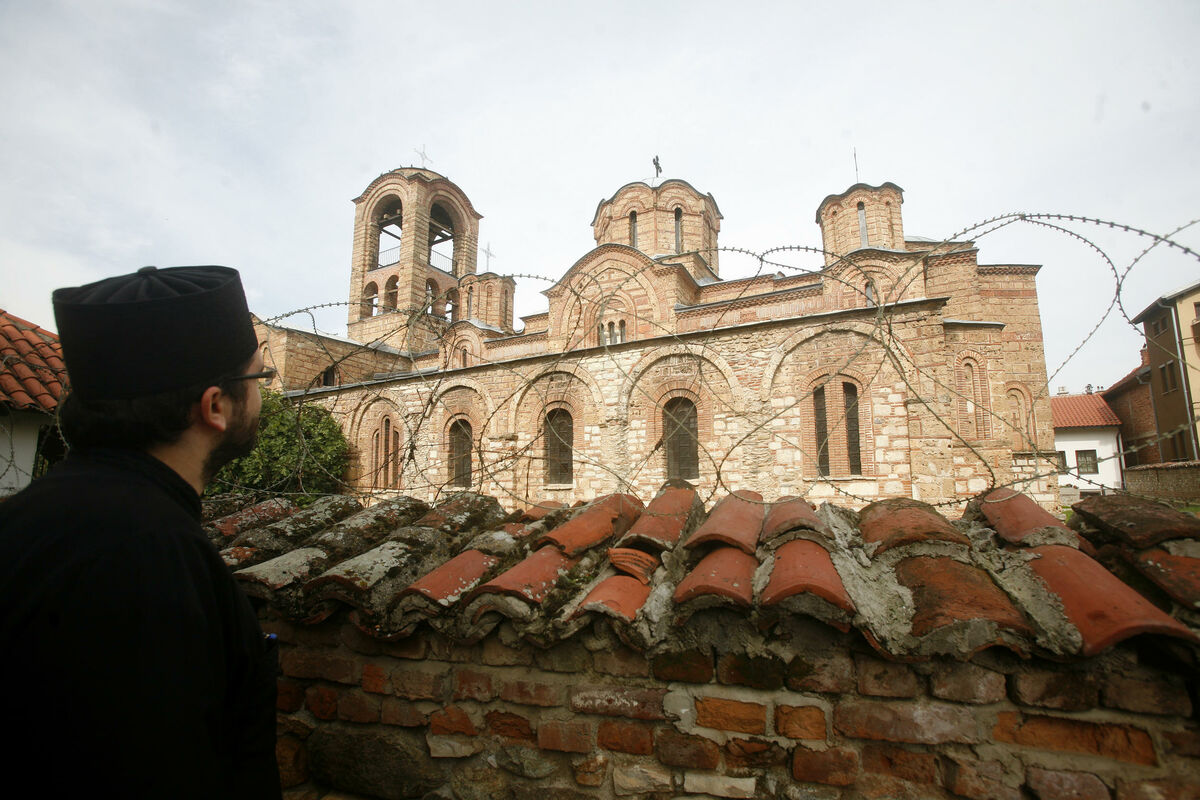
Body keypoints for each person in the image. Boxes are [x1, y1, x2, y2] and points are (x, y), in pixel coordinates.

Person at [0, 266, 282, 798]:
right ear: (216, 406)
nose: (264, 396)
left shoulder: (26, 517)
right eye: (259, 379)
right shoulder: (153, 561)